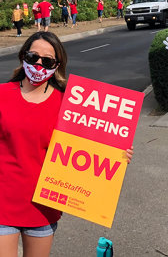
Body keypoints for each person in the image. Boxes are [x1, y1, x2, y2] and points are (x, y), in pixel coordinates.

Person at [0, 31, 134, 257]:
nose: (39, 64)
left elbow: (90, 145)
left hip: (42, 204)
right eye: (33, 57)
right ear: (23, 56)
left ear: (57, 64)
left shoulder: (70, 103)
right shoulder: (2, 94)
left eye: (48, 60)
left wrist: (117, 155)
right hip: (3, 199)